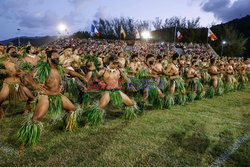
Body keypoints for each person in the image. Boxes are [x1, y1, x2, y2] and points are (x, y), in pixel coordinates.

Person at [17, 50, 78, 147]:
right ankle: (24, 142)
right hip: (46, 96)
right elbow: (27, 75)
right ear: (49, 58)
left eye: (58, 57)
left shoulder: (59, 68)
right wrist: (34, 84)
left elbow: (68, 72)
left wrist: (81, 77)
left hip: (58, 96)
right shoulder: (42, 68)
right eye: (55, 57)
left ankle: (67, 125)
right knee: (36, 119)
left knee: (73, 109)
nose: (57, 58)